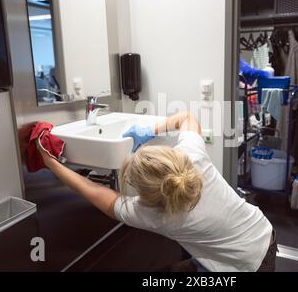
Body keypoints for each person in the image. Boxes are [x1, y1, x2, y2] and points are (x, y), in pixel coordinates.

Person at [37, 111, 277, 272]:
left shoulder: (154, 216)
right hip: (261, 231)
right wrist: (151, 129)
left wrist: (52, 164)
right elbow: (188, 118)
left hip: (250, 264)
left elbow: (93, 191)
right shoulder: (192, 158)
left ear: (147, 196)